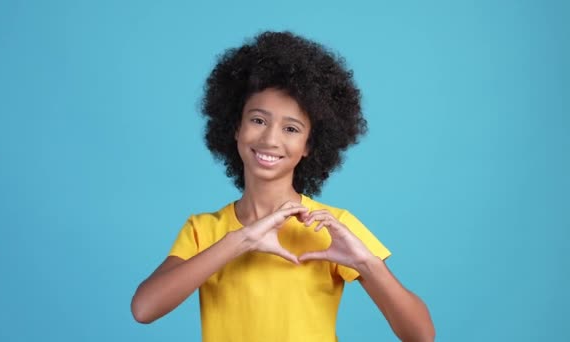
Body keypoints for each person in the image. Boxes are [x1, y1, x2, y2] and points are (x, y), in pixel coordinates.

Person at [131, 31, 435, 342]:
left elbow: (422, 335)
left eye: (291, 128)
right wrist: (240, 241)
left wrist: (366, 264)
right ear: (235, 127)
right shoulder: (203, 230)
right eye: (258, 120)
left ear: (309, 145)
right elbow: (144, 308)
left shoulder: (332, 228)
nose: (270, 139)